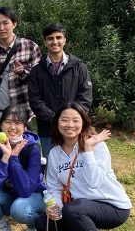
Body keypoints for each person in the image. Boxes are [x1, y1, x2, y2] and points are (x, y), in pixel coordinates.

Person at [35, 102, 132, 231]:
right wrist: (55, 206)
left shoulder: (98, 147)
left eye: (75, 120)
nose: (70, 125)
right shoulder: (55, 153)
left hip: (113, 207)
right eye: (64, 120)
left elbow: (94, 182)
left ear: (83, 123)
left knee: (74, 210)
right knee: (43, 223)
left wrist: (88, 149)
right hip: (81, 207)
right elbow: (54, 187)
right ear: (57, 124)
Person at [0, 106, 46, 231]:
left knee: (19, 209)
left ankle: (33, 229)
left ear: (25, 127)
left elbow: (26, 190)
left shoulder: (32, 148)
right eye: (8, 122)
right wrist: (5, 158)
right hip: (8, 195)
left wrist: (14, 159)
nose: (12, 127)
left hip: (31, 196)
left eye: (18, 122)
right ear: (1, 124)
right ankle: (1, 226)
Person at [28, 23, 92, 157]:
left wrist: (70, 121)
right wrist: (57, 120)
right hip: (48, 131)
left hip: (74, 130)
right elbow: (35, 101)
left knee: (77, 168)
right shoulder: (37, 71)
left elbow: (85, 97)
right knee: (52, 168)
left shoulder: (79, 67)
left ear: (64, 40)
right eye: (50, 38)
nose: (55, 42)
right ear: (45, 42)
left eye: (58, 37)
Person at [0, 7, 41, 134]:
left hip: (22, 109)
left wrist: (24, 73)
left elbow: (39, 81)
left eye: (6, 23)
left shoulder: (30, 47)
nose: (2, 28)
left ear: (14, 24)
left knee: (25, 148)